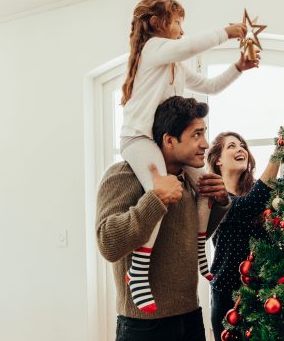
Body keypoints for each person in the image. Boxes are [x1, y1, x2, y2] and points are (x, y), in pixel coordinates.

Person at [119, 0, 258, 313]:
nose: (182, 30)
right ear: (157, 24)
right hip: (138, 139)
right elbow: (187, 46)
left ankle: (200, 252)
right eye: (178, 22)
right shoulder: (152, 49)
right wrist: (228, 32)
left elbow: (210, 86)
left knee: (206, 186)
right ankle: (138, 270)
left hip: (161, 141)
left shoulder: (175, 66)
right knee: (163, 190)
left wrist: (239, 67)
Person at [97, 96, 230, 341]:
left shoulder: (188, 179)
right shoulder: (124, 175)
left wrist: (220, 202)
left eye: (204, 133)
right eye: (196, 135)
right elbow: (108, 243)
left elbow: (186, 238)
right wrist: (155, 199)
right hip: (144, 326)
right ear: (169, 139)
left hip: (190, 317)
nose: (206, 143)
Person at [205, 132, 281, 341]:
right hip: (228, 297)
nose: (240, 149)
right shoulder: (215, 196)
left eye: (242, 146)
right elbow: (247, 206)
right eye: (231, 146)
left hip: (265, 292)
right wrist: (280, 151)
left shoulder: (263, 193)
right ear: (218, 159)